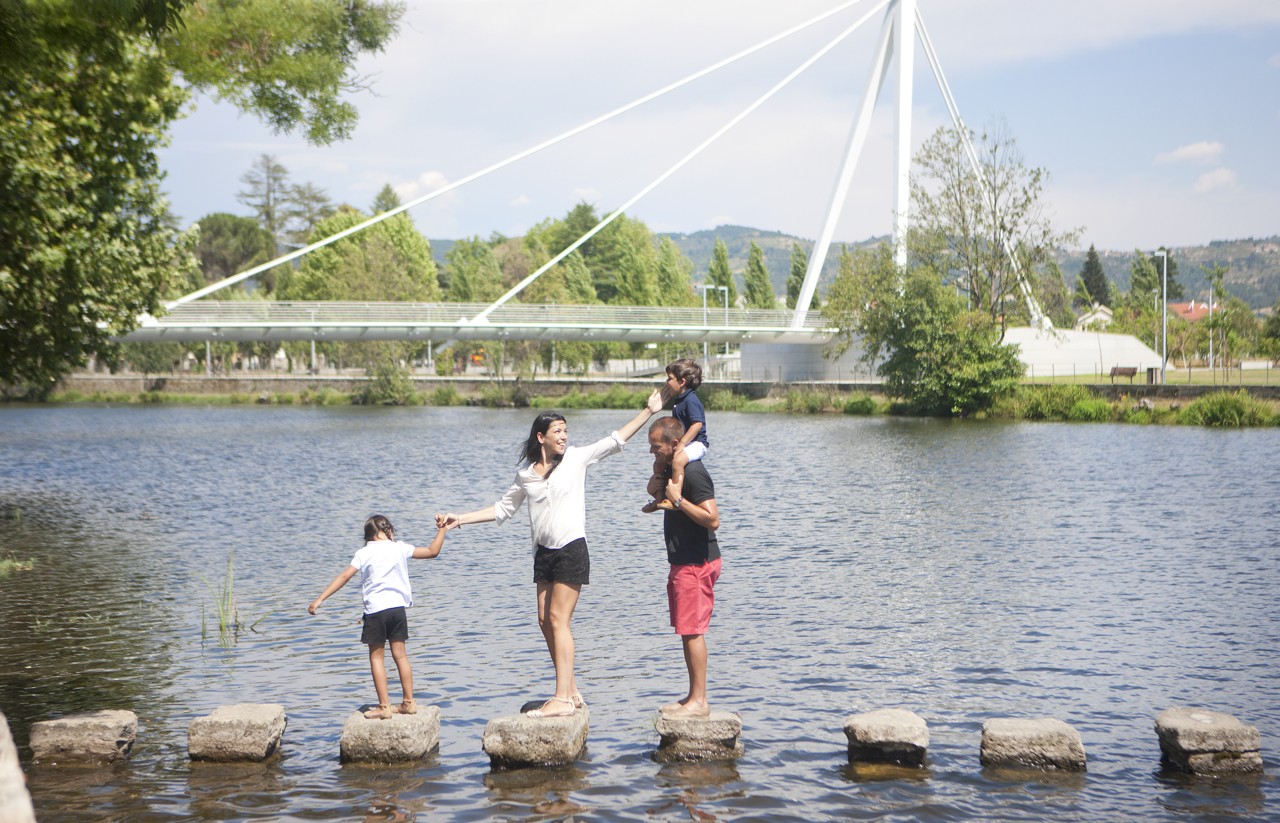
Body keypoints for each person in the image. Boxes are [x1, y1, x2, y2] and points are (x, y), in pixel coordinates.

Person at [437, 388, 665, 718]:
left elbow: (615, 440)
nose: (564, 436)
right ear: (541, 437)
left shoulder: (575, 459)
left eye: (565, 430)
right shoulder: (526, 475)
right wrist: (459, 519)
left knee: (559, 620)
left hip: (571, 548)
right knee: (544, 621)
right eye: (557, 431)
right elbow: (502, 509)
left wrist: (649, 410)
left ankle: (561, 699)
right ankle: (570, 690)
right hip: (543, 554)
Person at [309, 514, 447, 720]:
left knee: (376, 658)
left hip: (376, 611)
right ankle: (409, 703)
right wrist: (442, 528)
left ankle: (384, 707)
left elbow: (345, 576)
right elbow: (432, 551)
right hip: (397, 609)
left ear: (368, 536)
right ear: (389, 530)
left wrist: (320, 599)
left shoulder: (364, 553)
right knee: (401, 655)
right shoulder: (399, 548)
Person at [648, 415, 721, 718]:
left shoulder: (693, 472)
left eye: (656, 447)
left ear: (675, 443)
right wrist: (658, 475)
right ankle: (693, 696)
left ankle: (699, 701)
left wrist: (678, 501)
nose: (652, 451)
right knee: (687, 631)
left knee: (693, 631)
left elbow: (712, 519)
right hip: (682, 561)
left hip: (696, 561)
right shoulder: (671, 468)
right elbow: (653, 491)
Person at [643, 358, 708, 513]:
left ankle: (674, 496)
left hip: (697, 444)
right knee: (658, 464)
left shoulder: (691, 400)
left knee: (678, 461)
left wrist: (682, 444)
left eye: (669, 379)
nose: (667, 382)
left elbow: (697, 424)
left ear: (682, 381)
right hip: (684, 443)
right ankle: (659, 499)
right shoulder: (679, 400)